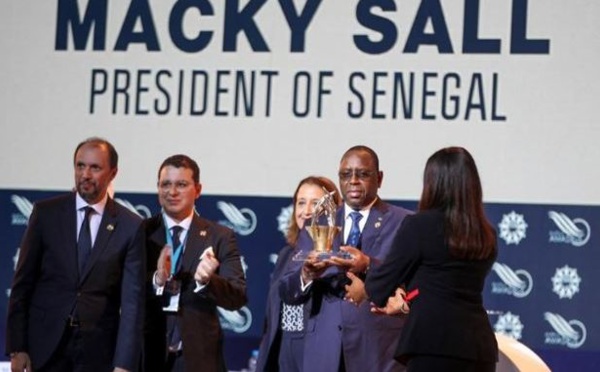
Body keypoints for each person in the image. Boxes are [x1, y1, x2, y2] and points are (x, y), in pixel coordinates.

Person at [348, 146, 498, 371]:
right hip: (478, 348)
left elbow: (381, 285)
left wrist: (364, 285)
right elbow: (442, 285)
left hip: (433, 346)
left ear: (433, 184)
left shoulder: (420, 226)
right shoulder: (486, 233)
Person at [5, 137, 146, 372]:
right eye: (80, 166)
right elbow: (22, 284)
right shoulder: (46, 214)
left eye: (95, 167)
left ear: (113, 173)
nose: (85, 175)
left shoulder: (130, 226)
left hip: (98, 352)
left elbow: (132, 303)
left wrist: (124, 363)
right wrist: (17, 347)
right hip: (44, 346)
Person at [279, 145, 412, 372]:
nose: (353, 181)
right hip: (324, 352)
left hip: (379, 353)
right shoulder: (318, 223)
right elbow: (287, 291)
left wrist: (368, 265)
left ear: (379, 178)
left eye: (362, 174)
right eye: (345, 175)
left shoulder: (403, 222)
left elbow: (415, 280)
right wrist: (307, 274)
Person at [143, 154, 247, 372]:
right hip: (147, 357)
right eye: (165, 185)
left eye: (181, 184)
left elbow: (237, 296)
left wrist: (208, 281)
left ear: (197, 190)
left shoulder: (219, 236)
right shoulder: (140, 232)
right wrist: (157, 279)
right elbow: (122, 289)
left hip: (198, 361)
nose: (172, 192)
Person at [256, 176, 342, 372]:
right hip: (283, 353)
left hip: (317, 354)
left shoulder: (337, 255)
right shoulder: (286, 254)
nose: (307, 211)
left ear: (333, 211)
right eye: (301, 202)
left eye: (316, 203)